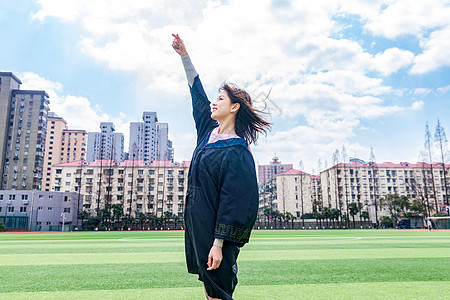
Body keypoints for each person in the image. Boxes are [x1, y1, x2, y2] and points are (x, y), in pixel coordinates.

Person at [172, 34, 271, 300]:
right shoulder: (207, 132)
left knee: (218, 291)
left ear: (235, 107)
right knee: (209, 289)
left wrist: (219, 244)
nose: (214, 103)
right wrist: (185, 57)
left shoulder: (238, 151)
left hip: (218, 233)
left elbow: (235, 201)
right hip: (198, 224)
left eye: (221, 99)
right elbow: (196, 94)